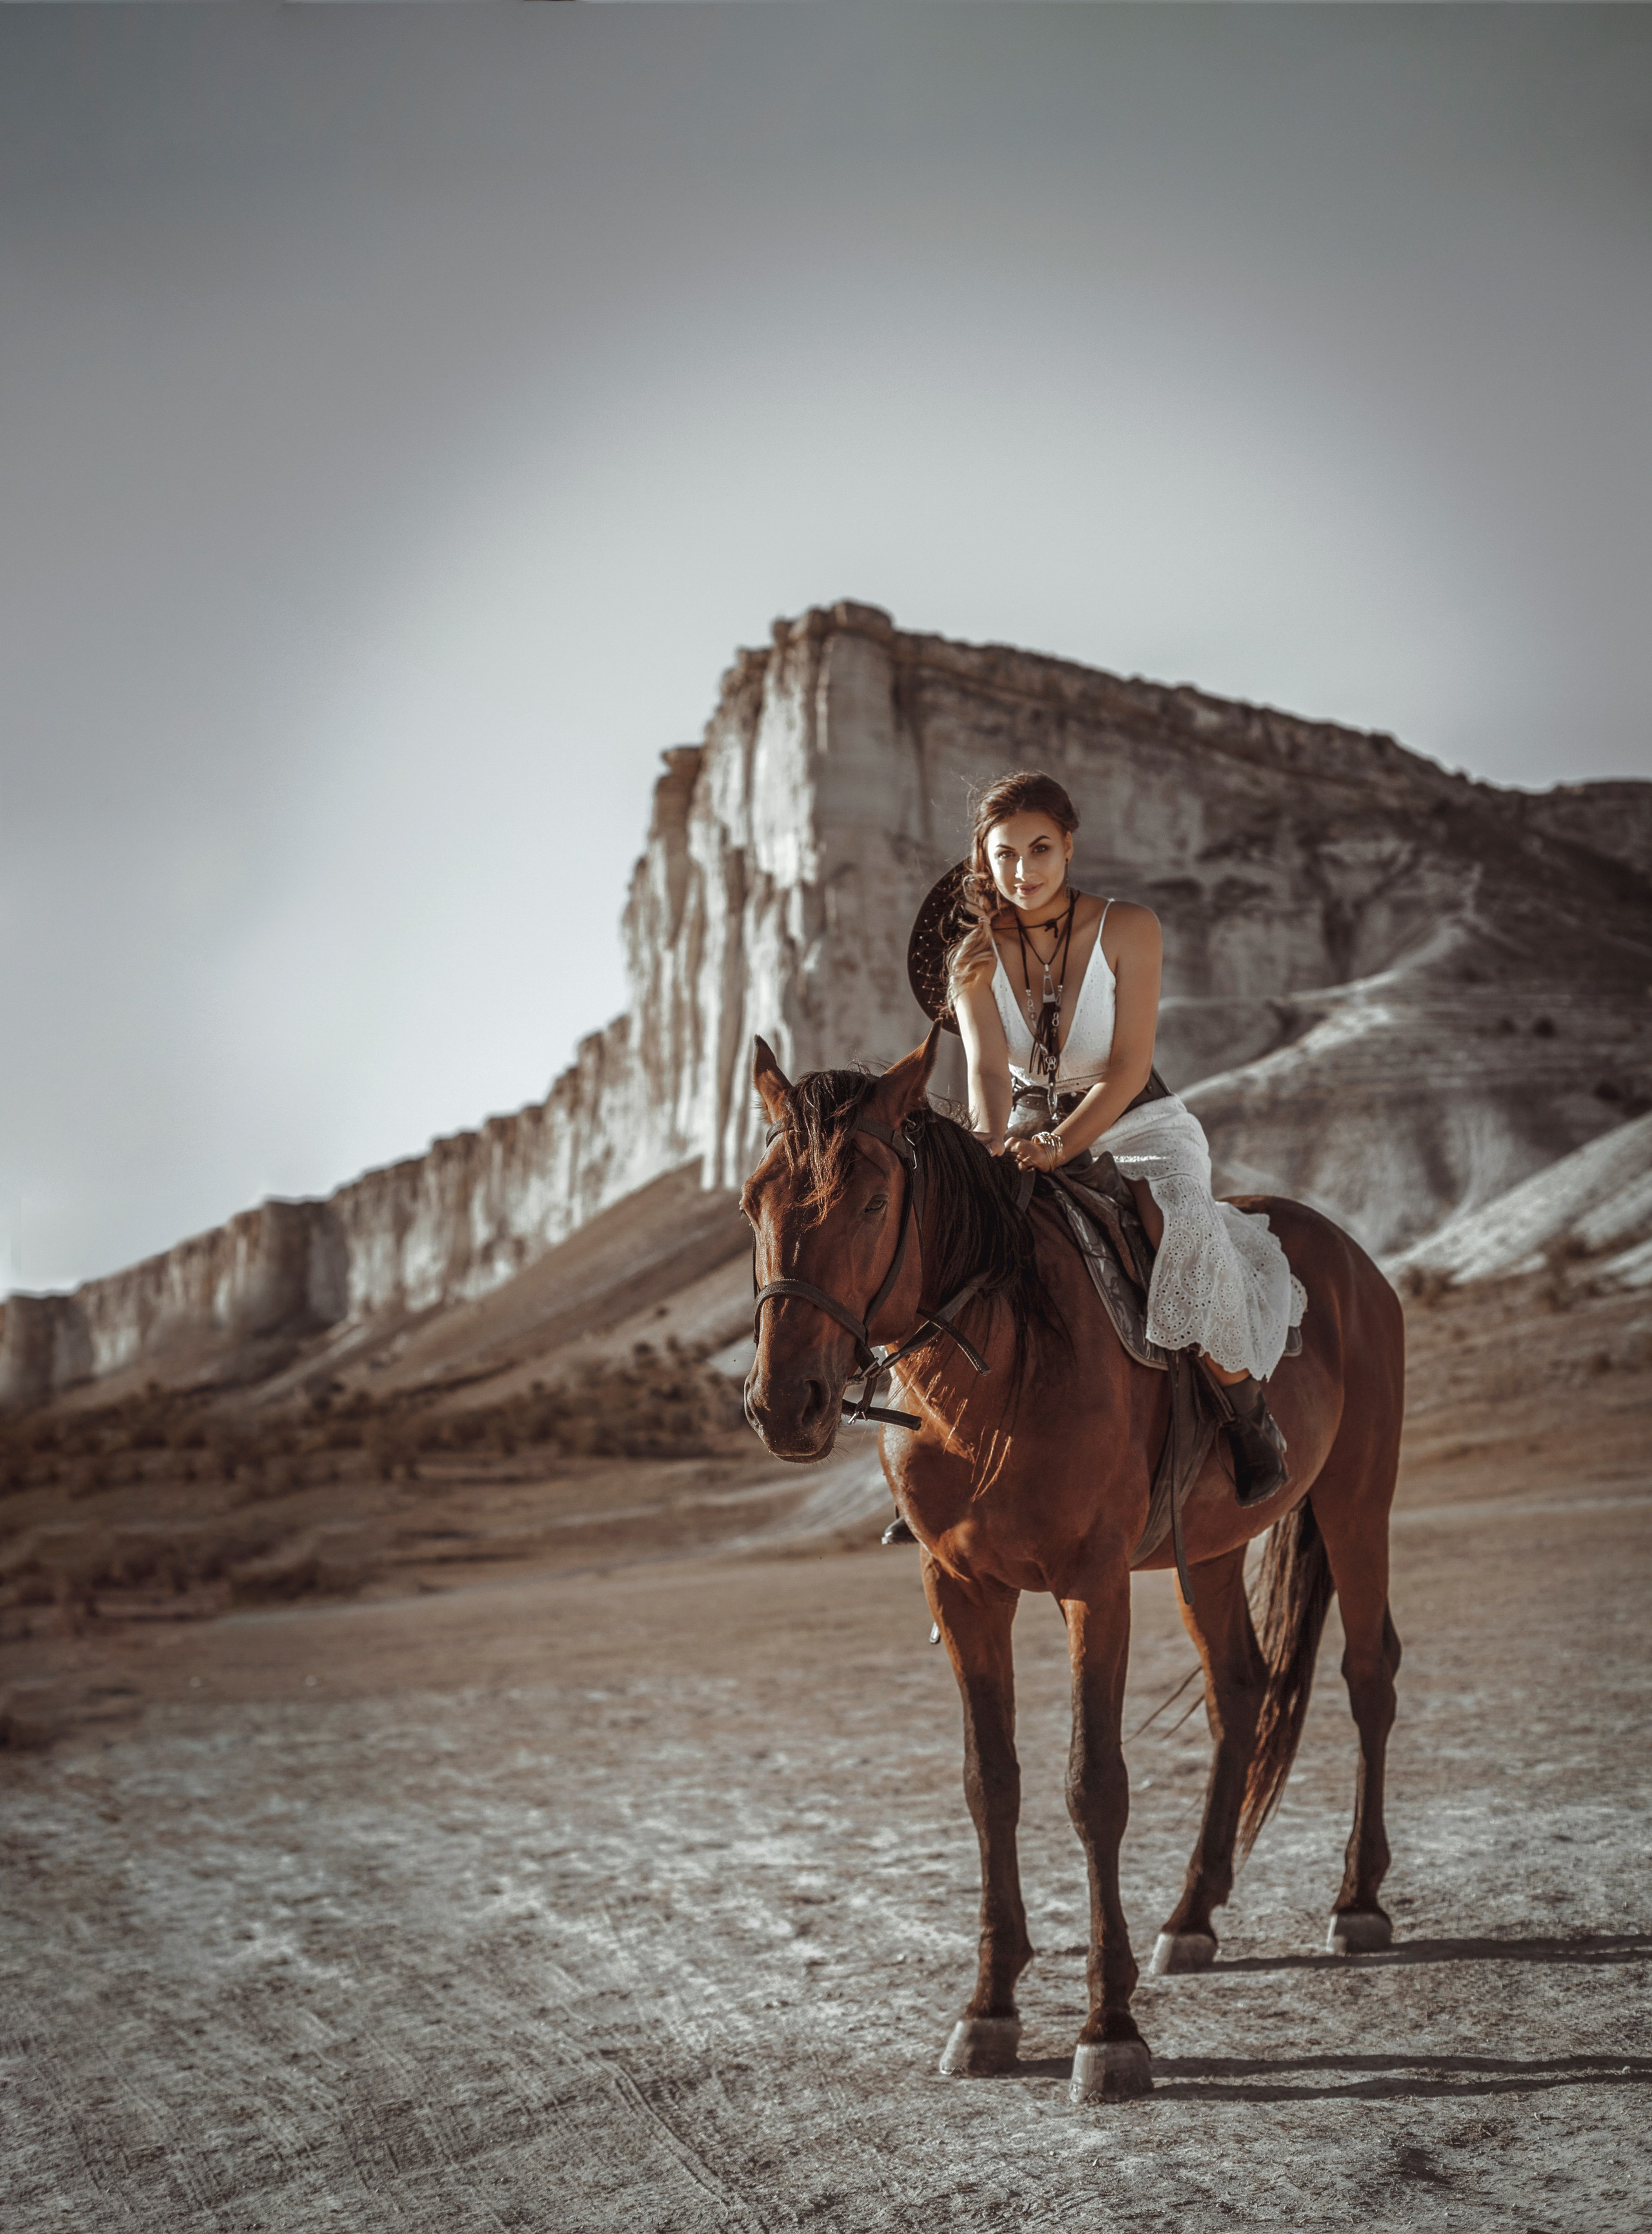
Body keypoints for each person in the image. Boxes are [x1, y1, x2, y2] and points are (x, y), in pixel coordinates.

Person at [907, 769, 1304, 1514]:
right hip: (1023, 1122)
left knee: (1177, 1223)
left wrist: (1062, 1146)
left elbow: (1125, 1067)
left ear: (1069, 847)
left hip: (1139, 1121)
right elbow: (988, 1071)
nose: (1023, 871)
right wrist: (990, 1146)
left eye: (1040, 849)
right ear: (982, 859)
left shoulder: (1129, 927)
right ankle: (938, 1455)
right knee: (948, 1237)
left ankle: (1247, 1415)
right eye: (1005, 855)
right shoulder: (972, 956)